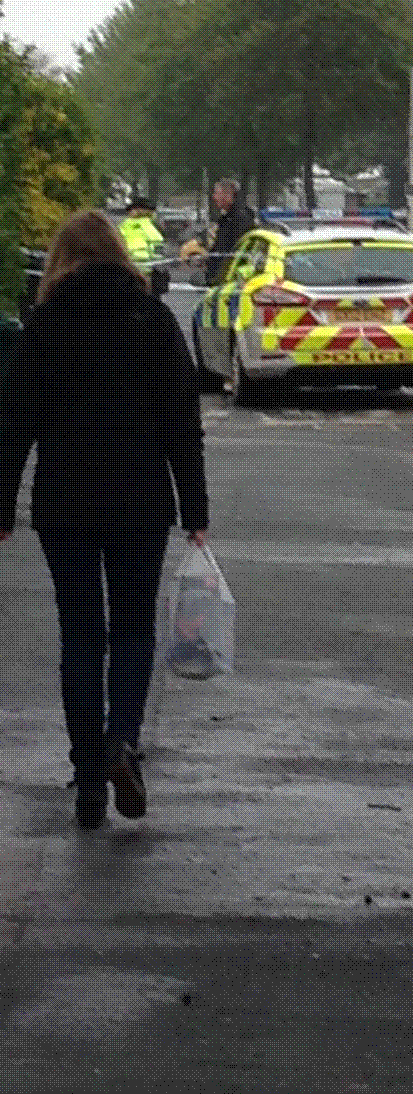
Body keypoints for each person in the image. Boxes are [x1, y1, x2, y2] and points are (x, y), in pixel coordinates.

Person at [0, 210, 209, 830]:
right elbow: (181, 415)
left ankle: (88, 771)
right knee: (133, 626)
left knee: (82, 631)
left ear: (62, 260)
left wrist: (3, 503)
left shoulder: (47, 322)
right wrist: (193, 505)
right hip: (137, 497)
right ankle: (123, 746)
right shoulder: (151, 319)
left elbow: (18, 417)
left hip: (67, 500)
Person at [205, 178, 256, 286]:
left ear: (228, 195)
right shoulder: (229, 217)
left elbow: (231, 252)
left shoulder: (239, 219)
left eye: (217, 193)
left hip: (230, 283)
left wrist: (215, 275)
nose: (214, 197)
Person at [117, 195, 169, 294]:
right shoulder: (153, 227)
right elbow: (159, 255)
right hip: (148, 276)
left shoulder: (121, 227)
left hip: (126, 274)